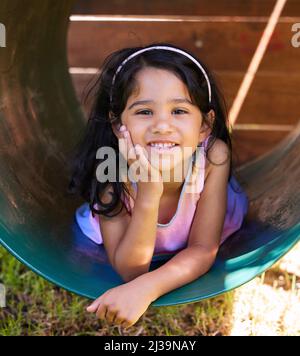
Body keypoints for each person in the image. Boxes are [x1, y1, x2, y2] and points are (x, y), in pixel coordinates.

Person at [68, 43, 249, 329]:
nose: (162, 125)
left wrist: (147, 288)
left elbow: (202, 249)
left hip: (201, 217)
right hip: (134, 235)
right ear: (118, 124)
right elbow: (130, 269)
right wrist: (149, 193)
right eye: (144, 112)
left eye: (179, 110)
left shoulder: (214, 156)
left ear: (205, 124)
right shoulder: (112, 173)